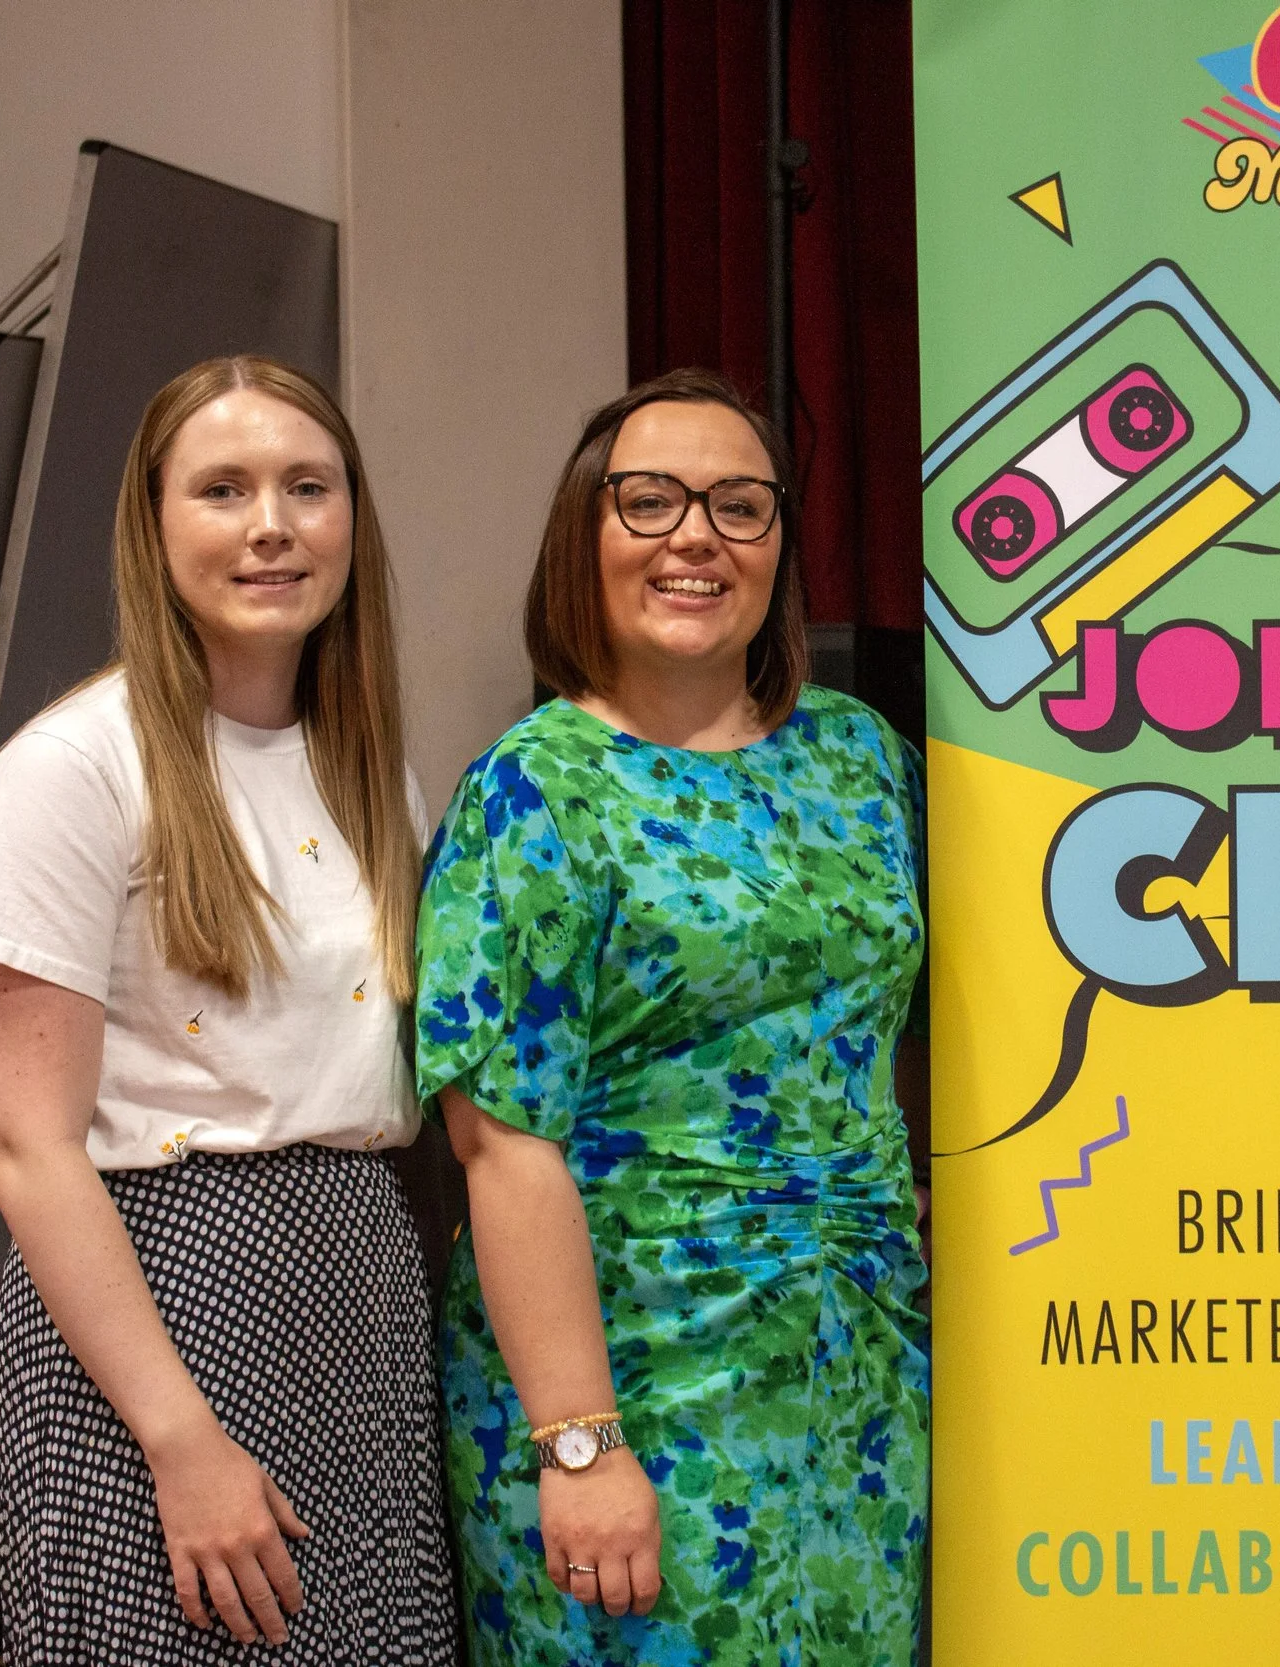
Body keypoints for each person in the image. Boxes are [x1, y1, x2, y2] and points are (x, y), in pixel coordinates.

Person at [0, 356, 456, 1661]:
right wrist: (182, 1441)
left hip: (356, 1281)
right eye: (223, 489)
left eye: (307, 487)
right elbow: (26, 1148)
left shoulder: (370, 772)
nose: (272, 524)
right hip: (157, 1302)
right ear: (152, 525)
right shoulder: (70, 771)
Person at [418, 367, 928, 1663]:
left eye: (738, 506)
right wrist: (580, 1445)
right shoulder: (534, 791)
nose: (695, 536)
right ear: (581, 538)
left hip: (859, 1372)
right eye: (649, 501)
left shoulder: (863, 759)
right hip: (632, 1383)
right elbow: (501, 1143)